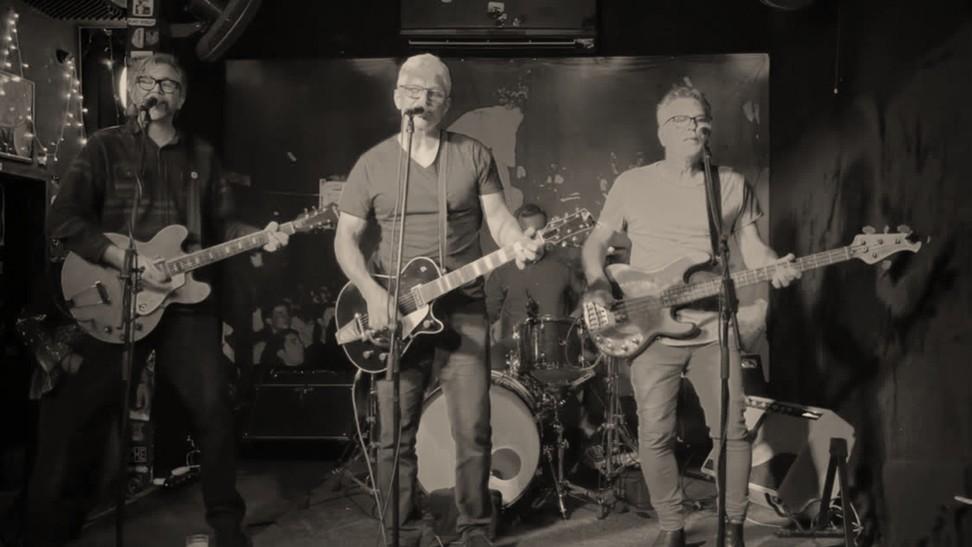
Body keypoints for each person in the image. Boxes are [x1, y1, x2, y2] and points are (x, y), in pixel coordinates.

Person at [33, 52, 289, 547]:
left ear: (182, 97)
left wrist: (263, 235)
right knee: (84, 415)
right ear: (134, 92)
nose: (157, 89)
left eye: (169, 84)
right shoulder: (105, 148)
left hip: (185, 304)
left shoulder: (202, 156)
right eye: (147, 81)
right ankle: (56, 530)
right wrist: (120, 256)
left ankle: (226, 529)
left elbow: (224, 226)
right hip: (114, 298)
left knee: (213, 410)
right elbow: (63, 219)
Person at [334, 53, 540, 547]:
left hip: (463, 310)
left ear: (447, 103)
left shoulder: (473, 154)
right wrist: (372, 292)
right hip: (393, 318)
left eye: (432, 92)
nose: (420, 99)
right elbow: (346, 239)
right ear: (395, 96)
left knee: (473, 430)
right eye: (411, 89)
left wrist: (519, 242)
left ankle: (472, 534)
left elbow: (500, 220)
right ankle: (402, 535)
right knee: (394, 437)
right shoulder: (373, 163)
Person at [581, 85, 800, 547]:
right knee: (655, 434)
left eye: (700, 119)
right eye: (681, 120)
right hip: (649, 330)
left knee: (731, 432)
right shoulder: (632, 184)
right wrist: (598, 281)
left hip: (713, 327)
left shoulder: (732, 184)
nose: (693, 126)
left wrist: (775, 263)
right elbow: (596, 243)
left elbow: (754, 248)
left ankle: (734, 526)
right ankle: (672, 526)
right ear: (662, 131)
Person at [484, 203, 582, 370]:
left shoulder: (564, 265)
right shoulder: (502, 271)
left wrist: (574, 320)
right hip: (512, 356)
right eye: (525, 232)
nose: (532, 238)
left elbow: (585, 297)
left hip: (558, 353)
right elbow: (486, 315)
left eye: (539, 232)